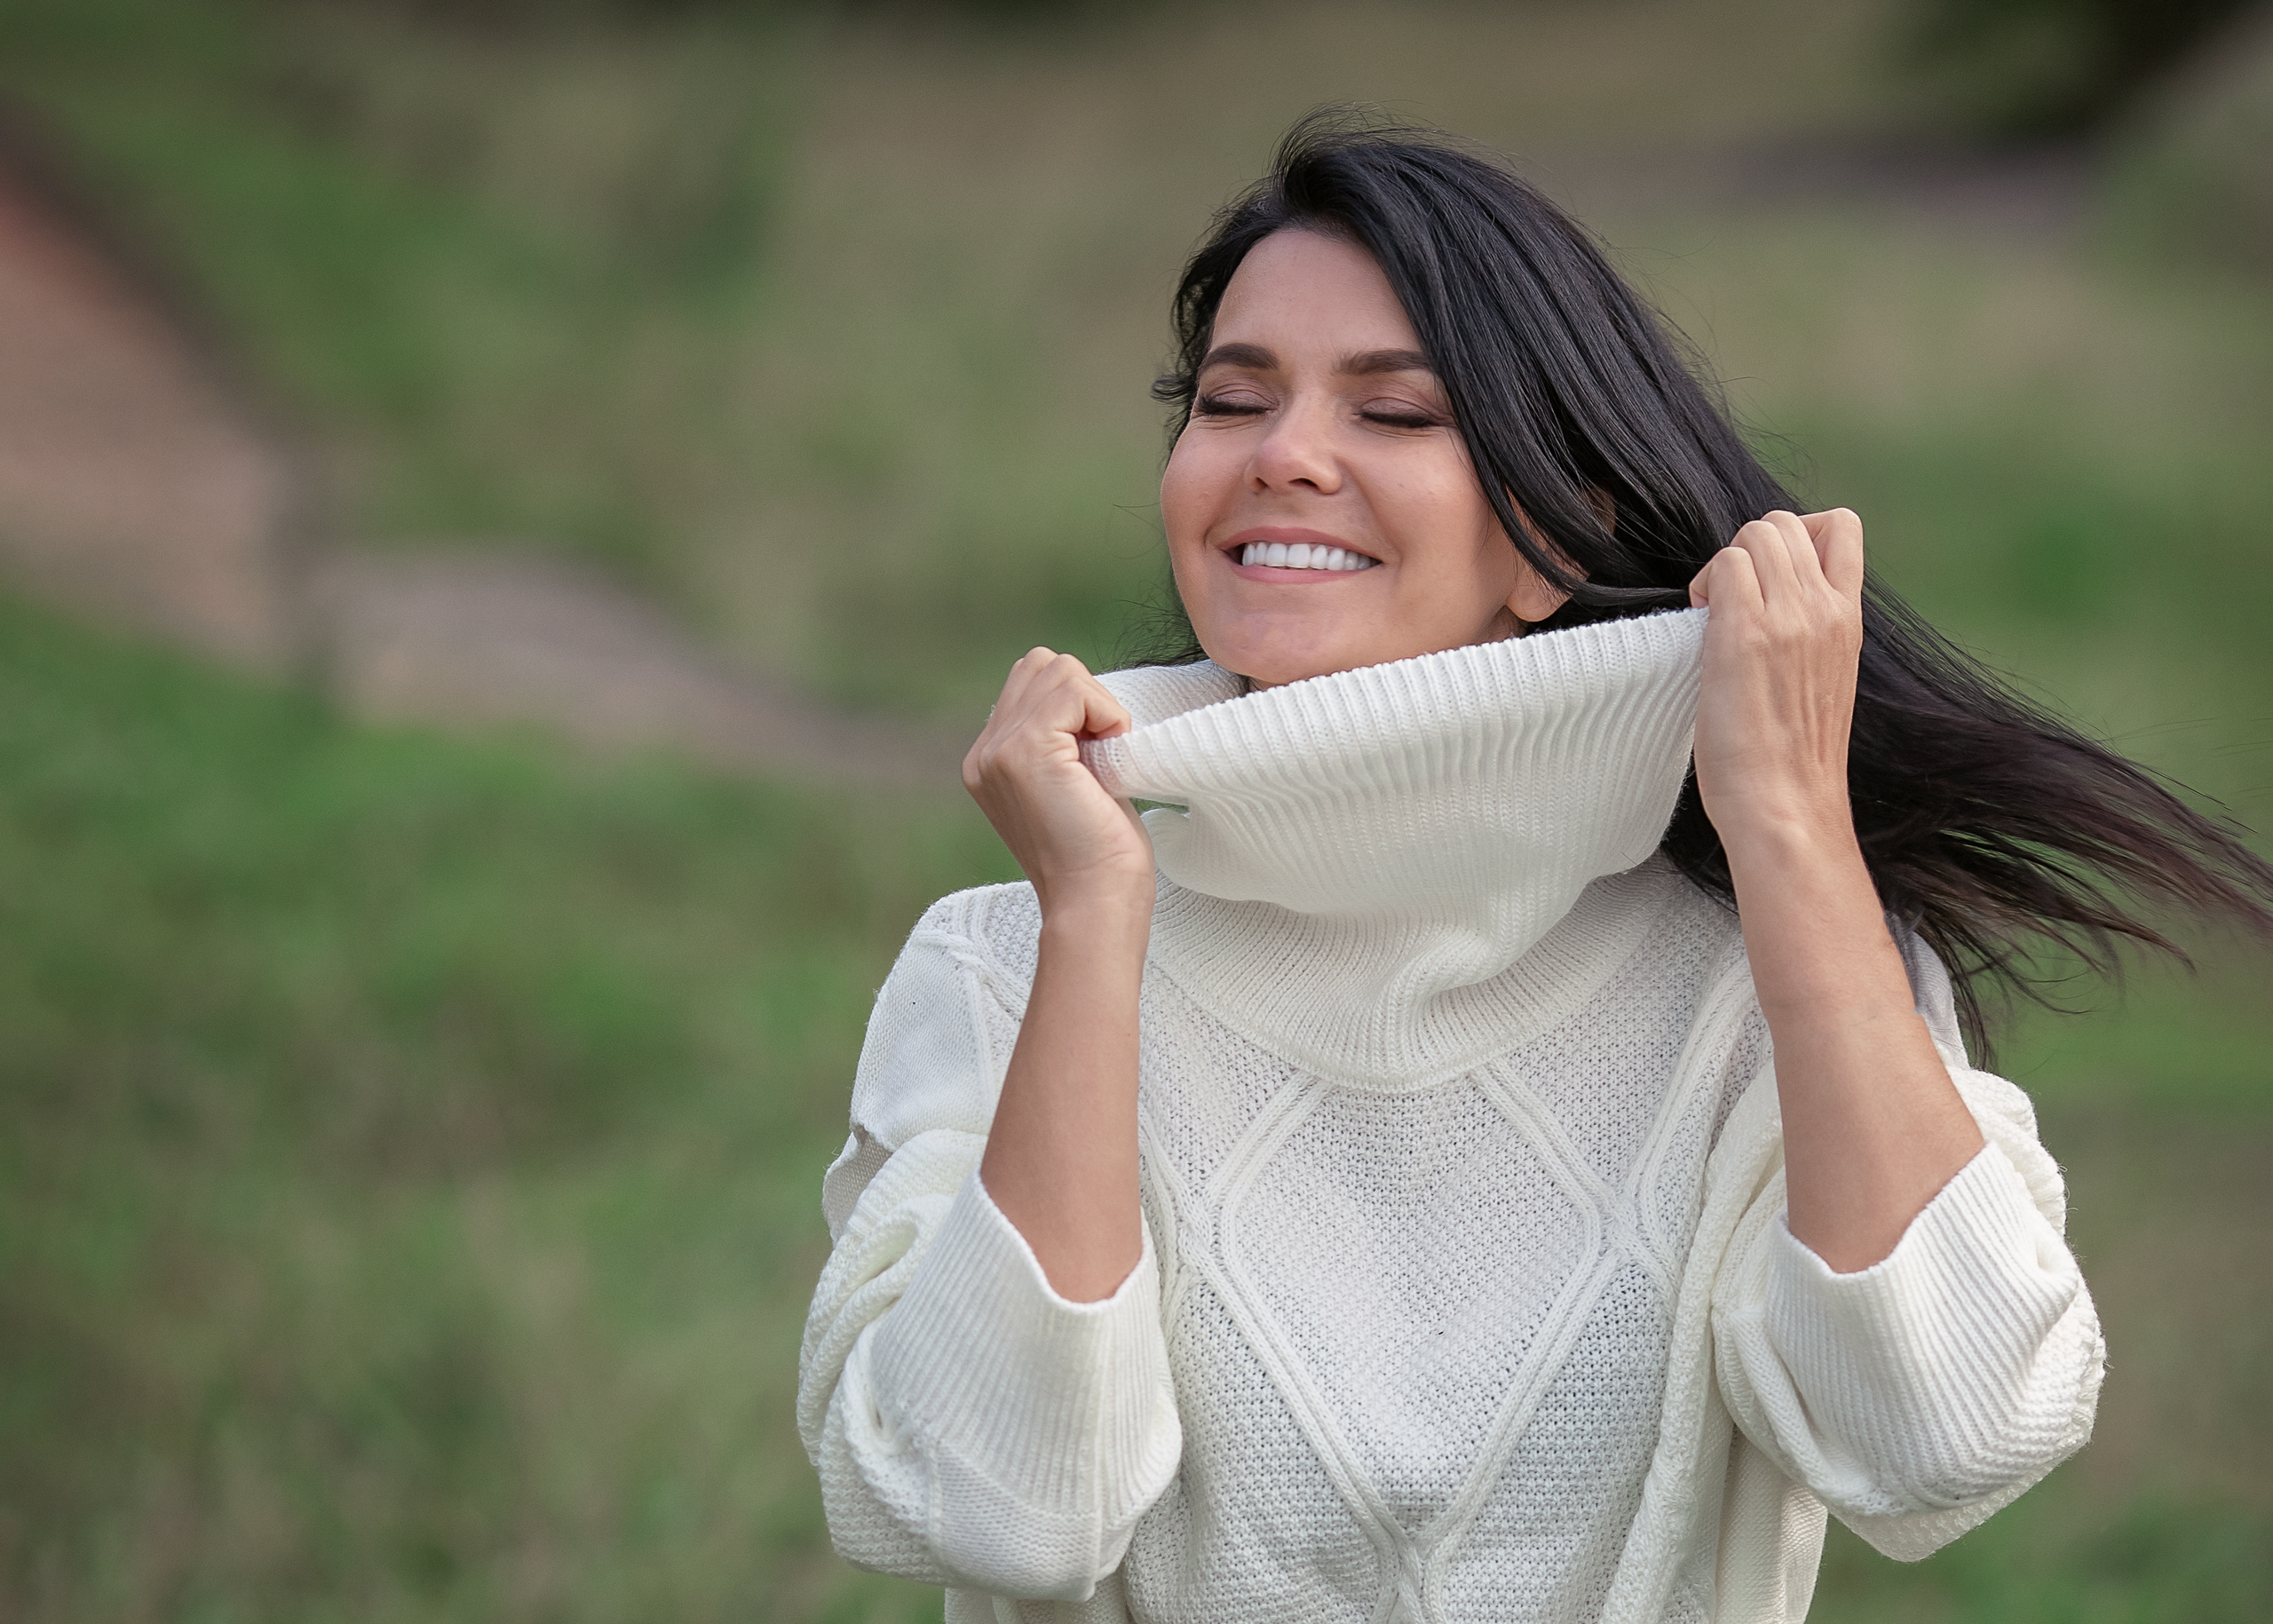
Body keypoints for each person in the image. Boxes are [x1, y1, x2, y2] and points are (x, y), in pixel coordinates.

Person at [796, 117, 2273, 1624]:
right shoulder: (997, 968)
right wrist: (1095, 925)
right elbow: (997, 1512)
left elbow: (1951, 1439)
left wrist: (1789, 829)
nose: (1286, 455)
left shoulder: (1761, 973)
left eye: (1397, 415)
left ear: (1553, 539)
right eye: (1233, 399)